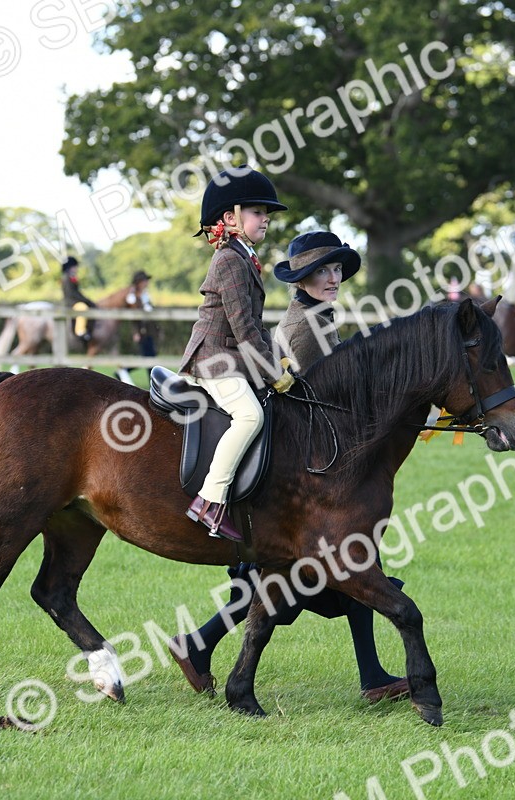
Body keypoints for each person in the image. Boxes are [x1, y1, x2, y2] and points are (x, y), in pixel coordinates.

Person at [171, 230, 410, 704]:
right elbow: (316, 402)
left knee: (327, 571)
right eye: (323, 271)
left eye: (337, 269)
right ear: (301, 280)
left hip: (305, 453)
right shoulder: (306, 327)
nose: (333, 277)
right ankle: (370, 676)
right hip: (298, 462)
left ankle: (199, 646)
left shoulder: (322, 317)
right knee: (334, 567)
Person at [179, 166, 294, 543]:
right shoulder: (229, 259)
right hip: (213, 360)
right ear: (231, 218)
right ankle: (210, 501)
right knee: (249, 416)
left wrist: (279, 359)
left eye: (266, 213)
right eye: (258, 212)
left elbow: (258, 327)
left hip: (229, 357)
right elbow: (243, 329)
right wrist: (271, 373)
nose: (265, 219)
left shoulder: (244, 256)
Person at [116, 269, 157, 385]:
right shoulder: (132, 296)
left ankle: (124, 370)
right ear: (139, 282)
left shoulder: (145, 294)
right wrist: (136, 332)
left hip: (147, 330)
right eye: (144, 280)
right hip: (140, 331)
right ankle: (125, 370)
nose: (146, 283)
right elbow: (134, 316)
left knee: (148, 357)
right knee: (148, 358)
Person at [61, 256, 96, 343]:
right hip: (71, 303)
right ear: (70, 267)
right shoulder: (66, 278)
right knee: (82, 308)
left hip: (74, 301)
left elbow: (77, 293)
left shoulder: (71, 277)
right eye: (74, 267)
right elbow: (72, 294)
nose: (76, 269)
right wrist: (86, 301)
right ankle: (80, 331)